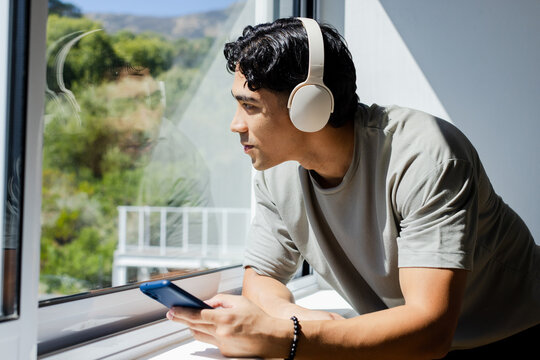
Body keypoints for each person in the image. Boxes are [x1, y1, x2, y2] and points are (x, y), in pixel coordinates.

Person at [166, 17, 540, 359]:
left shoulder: (427, 157)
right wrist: (295, 319)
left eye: (249, 106)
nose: (235, 125)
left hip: (513, 330)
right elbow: (260, 278)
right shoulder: (276, 170)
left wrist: (284, 337)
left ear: (307, 106)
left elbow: (430, 328)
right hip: (407, 339)